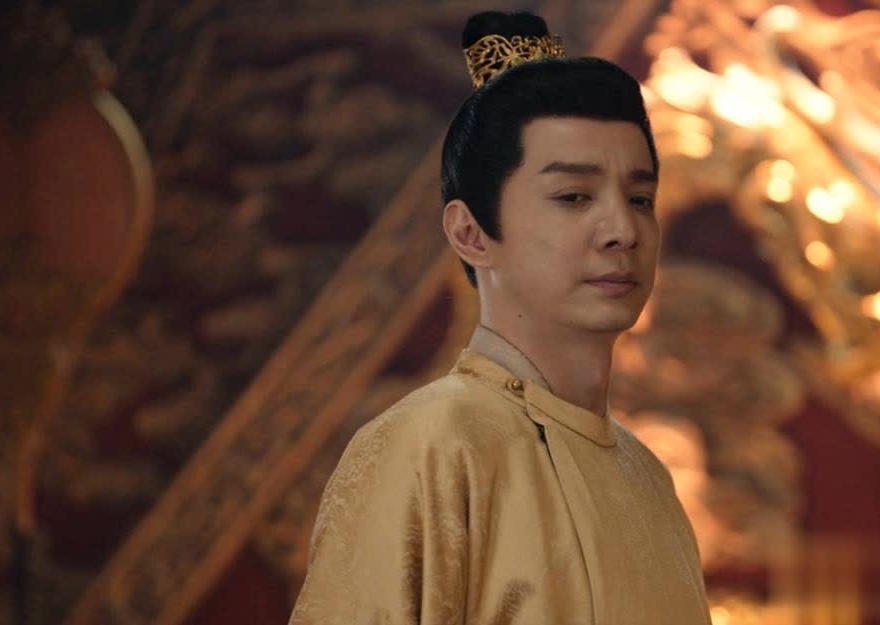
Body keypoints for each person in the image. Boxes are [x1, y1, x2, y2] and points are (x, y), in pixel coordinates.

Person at [289, 11, 711, 625]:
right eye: (574, 196)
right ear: (470, 232)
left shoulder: (647, 476)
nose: (623, 230)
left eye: (640, 199)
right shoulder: (429, 445)